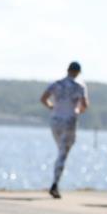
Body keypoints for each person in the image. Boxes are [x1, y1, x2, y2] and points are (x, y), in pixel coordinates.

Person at [40, 61, 89, 198]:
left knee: (60, 150)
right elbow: (85, 105)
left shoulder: (57, 84)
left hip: (55, 120)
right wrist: (77, 110)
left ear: (68, 70)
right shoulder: (80, 86)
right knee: (63, 153)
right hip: (69, 121)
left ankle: (56, 182)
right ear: (78, 72)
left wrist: (52, 107)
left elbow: (43, 98)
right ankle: (55, 184)